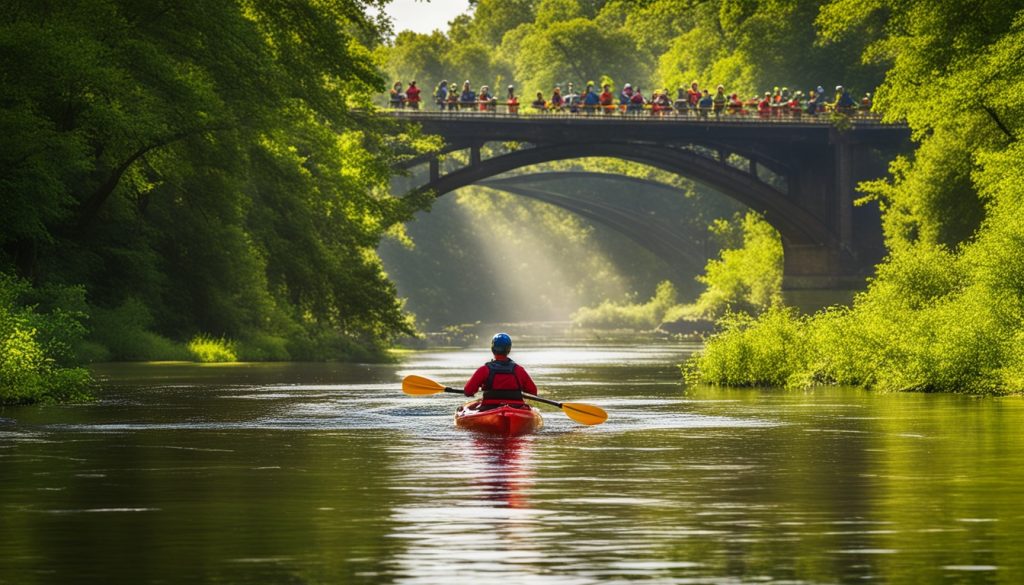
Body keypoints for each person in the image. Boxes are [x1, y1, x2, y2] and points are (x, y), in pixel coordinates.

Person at [463, 333, 538, 410]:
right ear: (509, 349)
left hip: (488, 408)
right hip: (516, 408)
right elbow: (533, 392)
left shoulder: (484, 370)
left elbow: (468, 391)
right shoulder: (519, 370)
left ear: (492, 348)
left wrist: (478, 388)